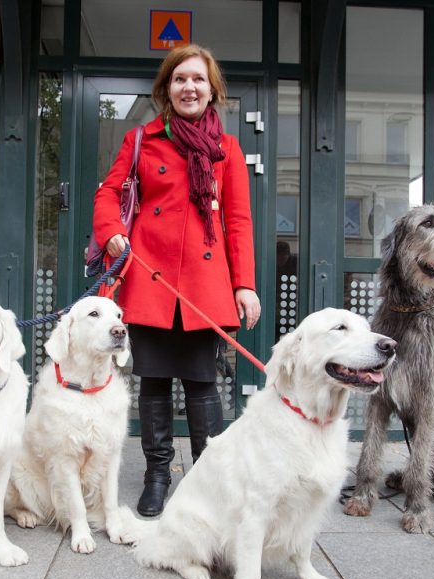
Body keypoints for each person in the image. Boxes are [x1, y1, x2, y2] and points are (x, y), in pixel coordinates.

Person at [92, 44, 260, 517]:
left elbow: (239, 221)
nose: (189, 87)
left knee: (203, 383)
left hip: (204, 282)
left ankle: (208, 478)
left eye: (198, 80)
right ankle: (158, 474)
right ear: (167, 88)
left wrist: (243, 284)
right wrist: (113, 235)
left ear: (212, 91)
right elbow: (109, 192)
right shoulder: (142, 139)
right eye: (180, 79)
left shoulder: (226, 149)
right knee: (155, 382)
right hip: (151, 276)